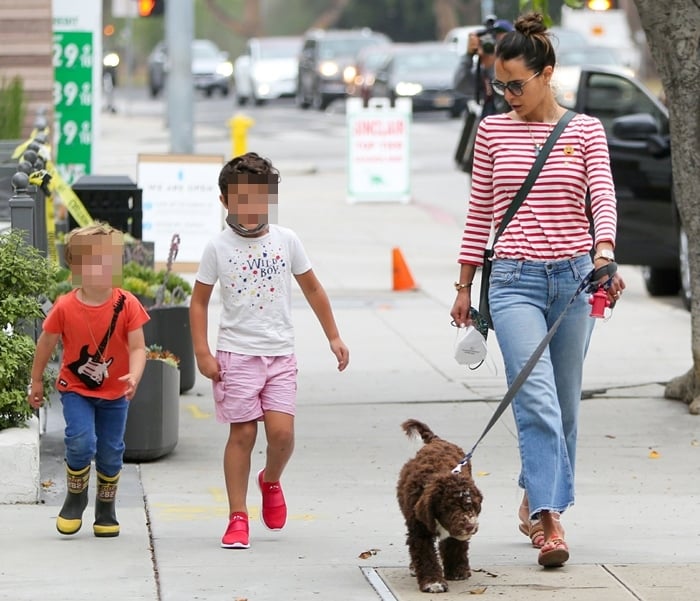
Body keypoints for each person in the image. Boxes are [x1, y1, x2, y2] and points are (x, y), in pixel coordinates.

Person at [449, 12, 626, 568]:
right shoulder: (493, 131)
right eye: (499, 85)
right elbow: (480, 212)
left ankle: (535, 493)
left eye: (516, 85)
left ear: (547, 74)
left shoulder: (585, 130)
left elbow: (603, 197)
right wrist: (464, 285)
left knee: (565, 403)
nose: (506, 95)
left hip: (574, 281)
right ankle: (551, 520)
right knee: (537, 398)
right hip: (514, 282)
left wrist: (604, 254)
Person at [189, 152, 350, 550]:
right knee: (242, 434)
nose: (250, 207)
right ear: (225, 201)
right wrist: (202, 352)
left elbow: (313, 289)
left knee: (282, 434)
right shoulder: (217, 247)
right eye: (240, 198)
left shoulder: (286, 240)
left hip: (280, 355)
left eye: (258, 198)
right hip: (236, 355)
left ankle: (271, 480)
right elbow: (198, 302)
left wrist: (333, 336)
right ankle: (238, 516)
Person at [28, 222, 149, 537]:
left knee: (111, 450)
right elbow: (46, 343)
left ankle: (106, 508)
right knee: (81, 443)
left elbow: (138, 347)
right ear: (76, 268)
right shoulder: (65, 306)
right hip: (76, 389)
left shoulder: (127, 304)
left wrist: (134, 376)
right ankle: (75, 496)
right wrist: (36, 380)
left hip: (115, 393)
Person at [453, 16, 514, 172]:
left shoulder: (517, 72)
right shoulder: (484, 71)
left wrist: (495, 65)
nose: (495, 45)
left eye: (501, 40)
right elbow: (460, 85)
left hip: (508, 144)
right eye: (492, 40)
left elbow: (505, 96)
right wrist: (468, 55)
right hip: (485, 144)